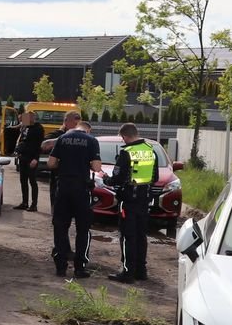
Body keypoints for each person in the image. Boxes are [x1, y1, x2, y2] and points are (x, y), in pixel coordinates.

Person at [48, 110, 102, 278]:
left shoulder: (62, 138)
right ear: (86, 129)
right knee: (83, 230)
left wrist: (65, 165)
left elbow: (51, 163)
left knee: (60, 227)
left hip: (63, 188)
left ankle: (60, 267)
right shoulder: (91, 141)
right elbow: (96, 167)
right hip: (81, 189)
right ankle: (80, 268)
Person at [107, 123, 159, 283]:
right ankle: (141, 271)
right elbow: (155, 177)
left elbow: (117, 178)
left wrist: (107, 180)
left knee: (127, 236)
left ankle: (127, 272)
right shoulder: (150, 150)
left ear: (124, 136)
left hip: (128, 200)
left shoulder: (126, 152)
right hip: (144, 200)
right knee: (141, 236)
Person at [13, 110, 45, 211]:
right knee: (23, 181)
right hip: (23, 157)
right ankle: (24, 202)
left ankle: (34, 205)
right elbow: (22, 140)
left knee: (32, 181)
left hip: (32, 158)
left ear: (32, 118)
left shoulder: (38, 128)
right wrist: (18, 151)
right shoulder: (25, 127)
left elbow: (39, 145)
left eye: (27, 117)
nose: (25, 119)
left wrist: (36, 158)